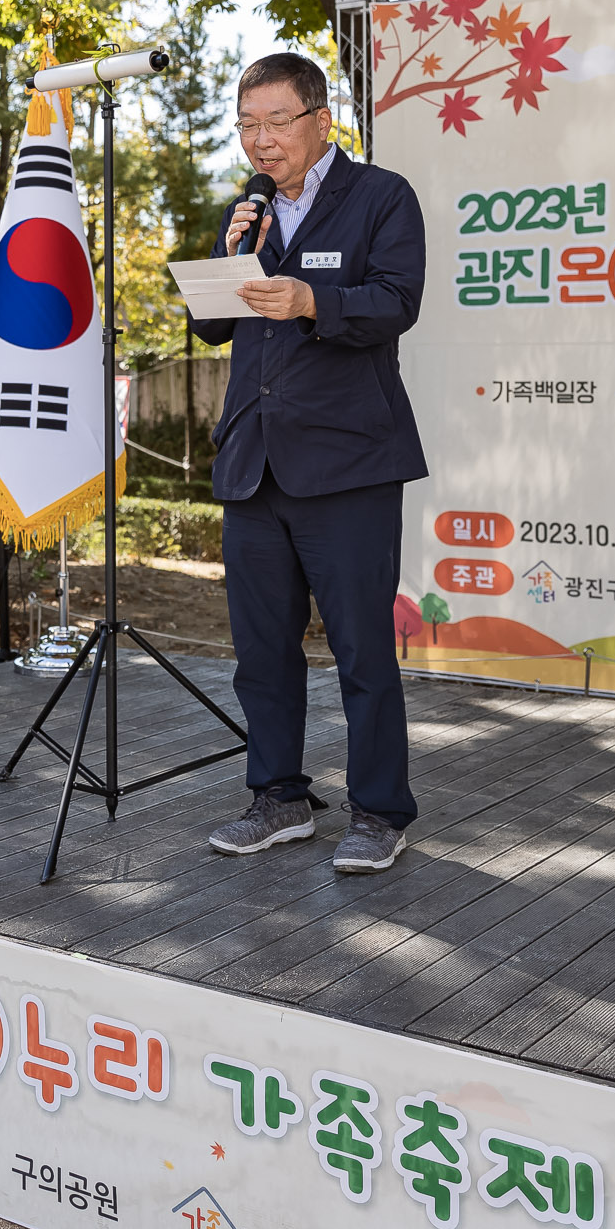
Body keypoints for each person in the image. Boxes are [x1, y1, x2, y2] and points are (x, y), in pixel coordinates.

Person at [189, 51, 429, 874]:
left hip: (349, 464)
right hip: (254, 463)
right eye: (247, 124)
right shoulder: (247, 211)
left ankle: (379, 811)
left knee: (362, 648)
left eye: (275, 121)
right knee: (261, 651)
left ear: (320, 120)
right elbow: (215, 329)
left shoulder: (381, 196)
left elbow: (399, 300)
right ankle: (280, 797)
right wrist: (230, 260)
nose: (260, 140)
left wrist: (313, 298)